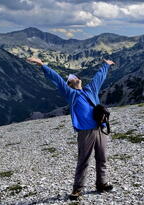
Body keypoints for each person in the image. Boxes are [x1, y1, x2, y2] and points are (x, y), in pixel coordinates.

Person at [27, 57, 115, 200]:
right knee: (84, 160)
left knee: (102, 158)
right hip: (85, 131)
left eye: (76, 77)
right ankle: (77, 189)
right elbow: (56, 79)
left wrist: (106, 65)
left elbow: (99, 77)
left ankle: (101, 184)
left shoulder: (90, 89)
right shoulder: (70, 94)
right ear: (70, 84)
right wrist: (42, 65)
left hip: (100, 128)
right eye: (72, 78)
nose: (76, 78)